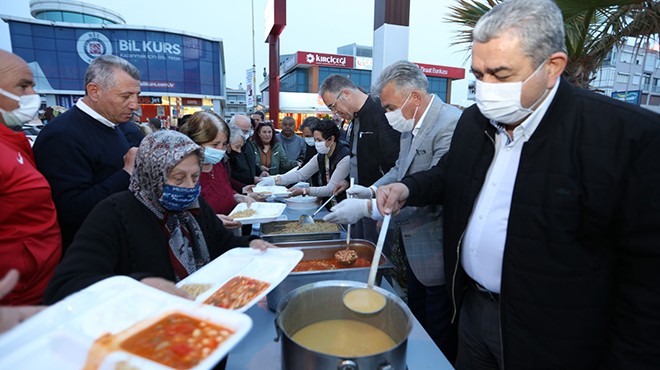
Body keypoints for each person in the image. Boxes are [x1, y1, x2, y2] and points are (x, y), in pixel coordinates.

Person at [376, 0, 660, 368]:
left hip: (552, 334)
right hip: (471, 311)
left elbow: (646, 283)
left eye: (501, 74)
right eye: (478, 74)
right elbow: (449, 174)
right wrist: (408, 188)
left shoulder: (624, 138)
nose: (486, 89)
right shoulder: (474, 122)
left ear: (553, 67)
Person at [324, 60, 462, 362]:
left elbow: (436, 186)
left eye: (389, 107)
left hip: (437, 246)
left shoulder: (451, 124)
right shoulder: (410, 124)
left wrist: (368, 208)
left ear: (413, 98)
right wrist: (372, 189)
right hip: (413, 247)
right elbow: (401, 169)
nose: (387, 115)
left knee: (438, 336)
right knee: (417, 321)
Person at [44, 130, 275, 304]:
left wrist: (250, 244)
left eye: (195, 178)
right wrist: (137, 284)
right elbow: (67, 286)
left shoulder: (195, 206)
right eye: (177, 178)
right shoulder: (114, 213)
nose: (188, 187)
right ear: (151, 173)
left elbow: (223, 245)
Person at [33, 55, 140, 250]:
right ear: (94, 91)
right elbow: (71, 210)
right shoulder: (62, 135)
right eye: (126, 96)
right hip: (88, 257)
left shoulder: (114, 126)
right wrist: (127, 173)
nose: (135, 104)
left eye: (136, 95)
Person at [0, 49, 62, 305]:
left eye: (32, 86)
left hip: (39, 289)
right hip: (14, 302)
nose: (32, 96)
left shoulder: (11, 141)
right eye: (23, 86)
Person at [319, 74, 400, 242]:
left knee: (374, 254)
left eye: (333, 106)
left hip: (377, 203)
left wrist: (376, 197)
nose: (335, 112)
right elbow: (360, 157)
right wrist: (348, 181)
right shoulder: (355, 117)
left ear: (346, 94)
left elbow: (397, 166)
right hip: (357, 198)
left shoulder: (380, 113)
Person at [179, 111, 256, 229]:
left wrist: (237, 197)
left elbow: (225, 189)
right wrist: (211, 220)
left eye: (224, 144)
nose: (220, 150)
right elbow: (183, 214)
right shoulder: (183, 173)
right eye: (215, 145)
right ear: (195, 142)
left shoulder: (217, 164)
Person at [260, 119, 349, 201]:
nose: (316, 143)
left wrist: (304, 191)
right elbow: (301, 174)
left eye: (319, 140)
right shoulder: (322, 155)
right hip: (329, 204)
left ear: (331, 139)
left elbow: (330, 189)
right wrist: (275, 180)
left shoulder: (344, 157)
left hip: (342, 204)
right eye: (315, 140)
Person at [228, 115, 263, 185]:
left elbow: (251, 163)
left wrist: (260, 172)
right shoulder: (228, 148)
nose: (244, 134)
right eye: (242, 131)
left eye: (247, 131)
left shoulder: (249, 144)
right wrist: (251, 180)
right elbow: (230, 174)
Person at [299, 116, 321, 186]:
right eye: (305, 136)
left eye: (309, 136)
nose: (307, 139)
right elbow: (305, 165)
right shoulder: (310, 147)